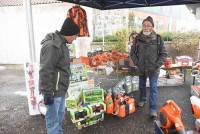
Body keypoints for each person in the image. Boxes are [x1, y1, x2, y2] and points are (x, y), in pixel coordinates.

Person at [39, 18, 80, 134]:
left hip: (60, 90)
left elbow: (61, 67)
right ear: (70, 33)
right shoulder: (53, 46)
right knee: (53, 122)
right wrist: (47, 94)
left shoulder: (62, 44)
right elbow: (45, 71)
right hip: (53, 92)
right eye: (75, 35)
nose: (75, 38)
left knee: (59, 118)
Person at [130, 16, 167, 119]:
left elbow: (163, 54)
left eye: (148, 25)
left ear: (152, 27)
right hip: (141, 68)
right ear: (142, 26)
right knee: (142, 85)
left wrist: (157, 65)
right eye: (144, 25)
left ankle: (153, 109)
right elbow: (132, 53)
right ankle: (142, 99)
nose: (146, 27)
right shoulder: (137, 38)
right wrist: (137, 63)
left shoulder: (158, 38)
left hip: (153, 69)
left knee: (153, 88)